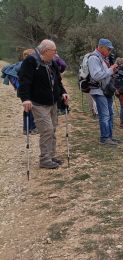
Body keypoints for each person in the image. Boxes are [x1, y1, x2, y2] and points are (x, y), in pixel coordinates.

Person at [18, 39, 69, 169]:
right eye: (54, 51)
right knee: (47, 129)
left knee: (53, 129)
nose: (56, 53)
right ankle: (45, 159)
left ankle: (51, 156)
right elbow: (24, 81)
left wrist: (62, 92)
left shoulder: (52, 62)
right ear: (46, 51)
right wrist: (25, 99)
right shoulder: (30, 61)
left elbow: (58, 80)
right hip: (38, 103)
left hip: (52, 102)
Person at [88, 38, 119, 145]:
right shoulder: (94, 58)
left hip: (105, 90)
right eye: (108, 49)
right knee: (105, 115)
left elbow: (104, 73)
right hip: (98, 90)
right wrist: (110, 70)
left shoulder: (102, 58)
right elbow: (96, 75)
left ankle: (109, 137)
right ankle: (104, 138)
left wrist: (111, 70)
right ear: (101, 47)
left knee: (110, 114)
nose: (110, 51)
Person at [1, 49, 38, 135]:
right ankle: (32, 128)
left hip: (21, 90)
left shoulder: (20, 64)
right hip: (26, 90)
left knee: (27, 108)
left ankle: (26, 129)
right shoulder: (25, 65)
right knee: (31, 108)